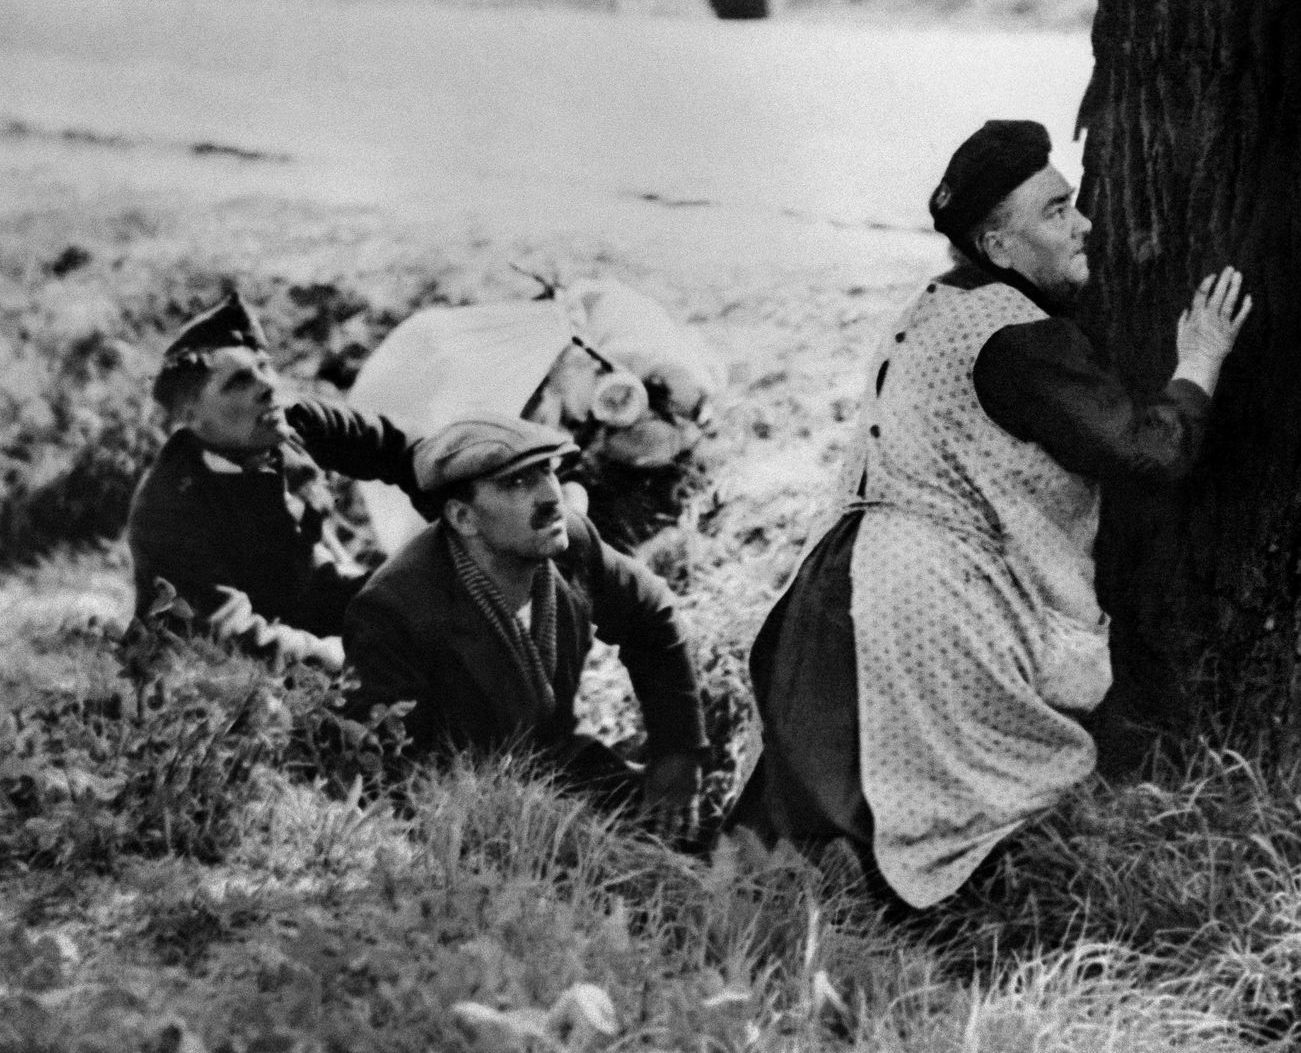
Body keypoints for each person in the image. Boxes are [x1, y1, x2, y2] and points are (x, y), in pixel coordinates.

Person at [727, 118, 1252, 908]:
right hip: (921, 605)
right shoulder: (1015, 337)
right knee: (976, 811)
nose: (1084, 225)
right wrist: (1200, 360)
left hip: (837, 585)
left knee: (828, 823)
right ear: (999, 247)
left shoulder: (932, 307)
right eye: (1055, 211)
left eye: (1072, 203)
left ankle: (821, 917)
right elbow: (1146, 453)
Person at [342, 415, 707, 824]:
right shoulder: (393, 611)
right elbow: (387, 780)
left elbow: (650, 613)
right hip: (464, 815)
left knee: (696, 830)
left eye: (547, 471)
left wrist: (678, 753)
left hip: (560, 766)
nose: (550, 496)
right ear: (464, 518)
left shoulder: (565, 538)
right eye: (516, 483)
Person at [127, 292, 422, 669]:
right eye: (238, 382)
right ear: (193, 416)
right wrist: (337, 655)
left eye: (264, 366)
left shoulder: (287, 421)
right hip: (229, 671)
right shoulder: (167, 509)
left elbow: (402, 449)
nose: (266, 386)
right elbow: (219, 634)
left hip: (313, 601)